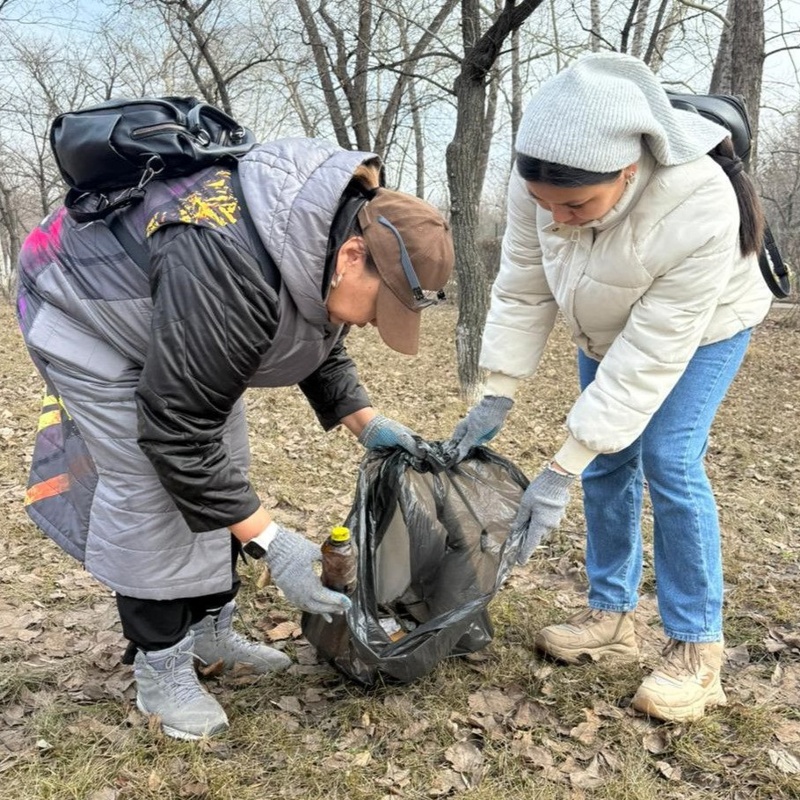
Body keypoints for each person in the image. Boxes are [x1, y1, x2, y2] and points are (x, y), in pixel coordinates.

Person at [17, 136, 454, 740]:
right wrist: (274, 544)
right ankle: (160, 668)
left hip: (179, 309)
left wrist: (368, 423)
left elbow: (316, 341)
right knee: (155, 489)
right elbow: (174, 433)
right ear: (355, 256)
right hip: (83, 306)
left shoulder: (324, 237)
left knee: (225, 468)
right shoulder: (225, 258)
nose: (376, 324)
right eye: (384, 308)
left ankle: (210, 632)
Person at [448, 53, 772, 722]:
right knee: (609, 462)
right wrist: (497, 393)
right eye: (545, 204)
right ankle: (612, 617)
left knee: (668, 459)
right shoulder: (538, 180)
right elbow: (522, 285)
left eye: (576, 205)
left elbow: (648, 359)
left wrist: (557, 471)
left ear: (630, 170)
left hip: (703, 327)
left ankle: (696, 651)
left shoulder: (699, 203)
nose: (558, 218)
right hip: (606, 324)